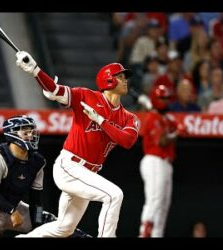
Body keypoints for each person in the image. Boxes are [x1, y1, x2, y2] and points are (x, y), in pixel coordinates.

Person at [14, 51, 140, 237]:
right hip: (70, 165)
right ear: (108, 81)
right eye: (120, 77)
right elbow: (56, 91)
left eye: (124, 77)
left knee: (64, 228)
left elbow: (127, 141)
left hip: (89, 172)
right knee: (114, 195)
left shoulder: (129, 117)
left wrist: (101, 121)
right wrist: (35, 70)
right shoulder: (86, 96)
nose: (125, 80)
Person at [139, 85, 186, 238]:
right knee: (155, 199)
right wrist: (176, 133)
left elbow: (177, 125)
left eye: (166, 98)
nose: (165, 102)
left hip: (166, 163)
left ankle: (157, 234)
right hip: (154, 160)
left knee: (164, 204)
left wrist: (176, 127)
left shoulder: (164, 118)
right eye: (162, 98)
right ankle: (145, 231)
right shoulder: (153, 118)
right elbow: (162, 141)